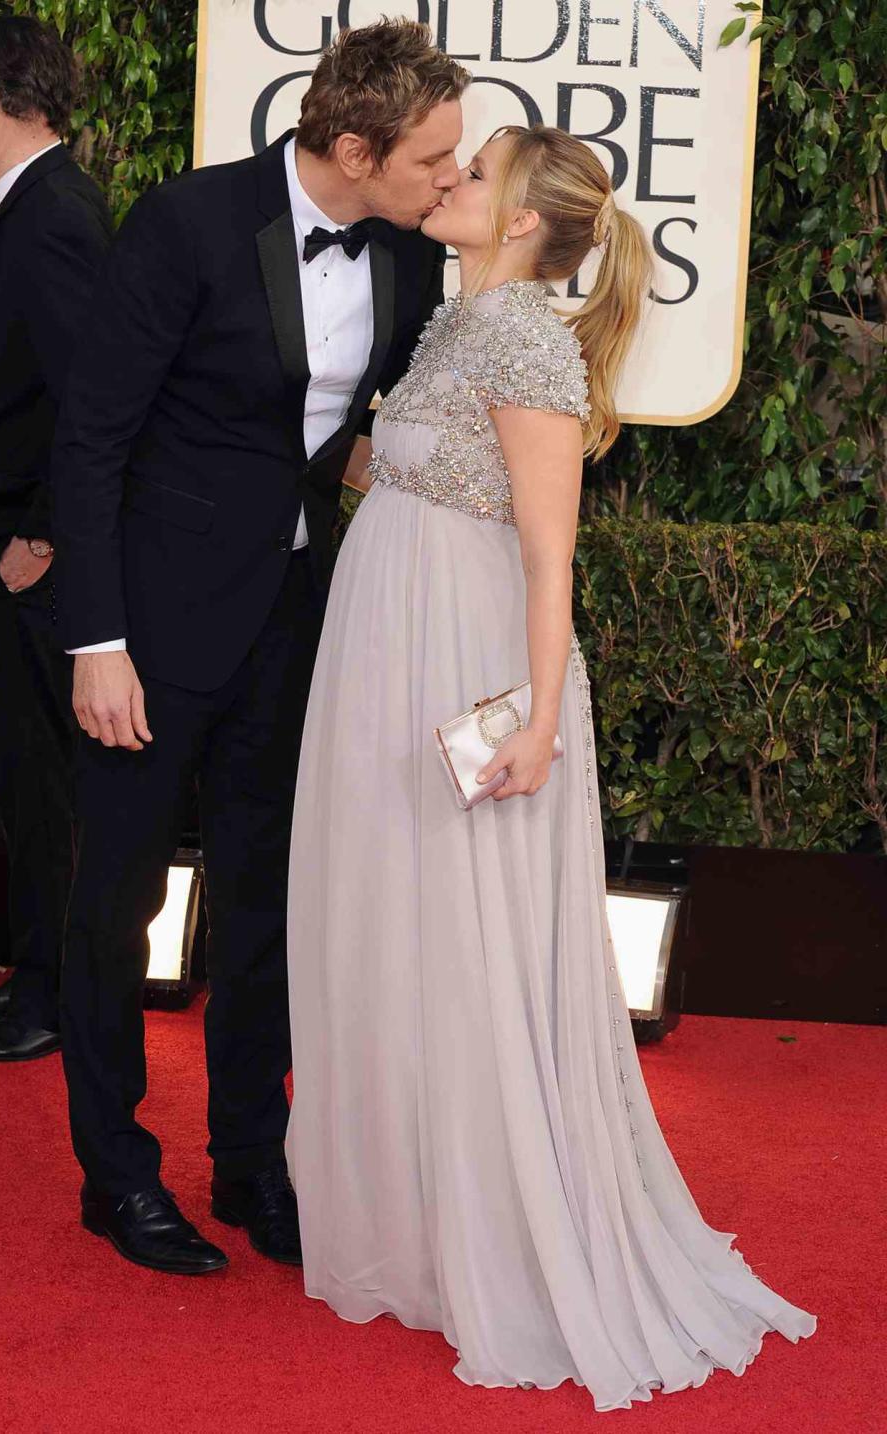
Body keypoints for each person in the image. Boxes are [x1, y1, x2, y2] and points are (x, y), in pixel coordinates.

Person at [285, 125, 817, 1407]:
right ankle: (417, 1218)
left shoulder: (524, 339)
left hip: (464, 672)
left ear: (520, 218)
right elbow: (408, 474)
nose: (449, 181)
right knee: (397, 928)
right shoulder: (459, 324)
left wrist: (535, 720)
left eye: (474, 175)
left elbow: (546, 553)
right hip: (386, 658)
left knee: (468, 949)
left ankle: (503, 1230)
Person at [50, 21, 469, 1275]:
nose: (451, 179)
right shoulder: (186, 224)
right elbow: (91, 438)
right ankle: (115, 1174)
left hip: (298, 624)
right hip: (151, 630)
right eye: (434, 160)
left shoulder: (406, 254)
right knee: (114, 905)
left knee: (269, 903)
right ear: (354, 147)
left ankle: (251, 1165)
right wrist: (96, 640)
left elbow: (353, 428)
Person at [0, 17, 112, 1060]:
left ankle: (52, 998)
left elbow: (92, 396)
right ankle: (33, 974)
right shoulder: (26, 210)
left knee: (44, 787)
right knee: (24, 779)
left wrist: (39, 537)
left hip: (24, 566)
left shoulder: (53, 218)